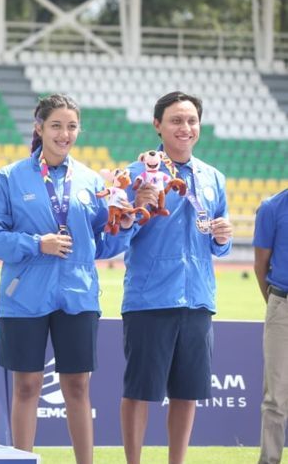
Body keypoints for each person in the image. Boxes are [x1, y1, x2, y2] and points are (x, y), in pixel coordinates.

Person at [0, 94, 133, 463]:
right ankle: (22, 459)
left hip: (77, 295)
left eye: (72, 126)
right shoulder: (11, 177)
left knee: (77, 386)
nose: (65, 134)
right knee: (27, 385)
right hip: (23, 296)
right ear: (40, 127)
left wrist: (124, 226)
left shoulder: (91, 181)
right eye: (56, 126)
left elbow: (101, 245)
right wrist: (36, 243)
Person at [119, 91, 233, 464]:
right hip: (150, 298)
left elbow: (217, 245)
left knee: (187, 393)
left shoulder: (213, 177)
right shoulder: (137, 174)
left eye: (191, 120)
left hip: (198, 299)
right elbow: (116, 236)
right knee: (139, 391)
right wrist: (137, 209)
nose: (185, 127)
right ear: (158, 125)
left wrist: (222, 238)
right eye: (176, 120)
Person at [255, 188, 288, 464]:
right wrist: (275, 305)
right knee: (275, 397)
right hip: (282, 304)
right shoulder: (272, 208)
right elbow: (260, 265)